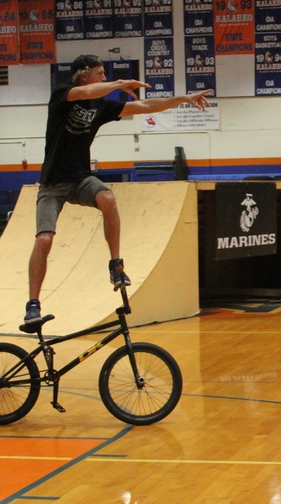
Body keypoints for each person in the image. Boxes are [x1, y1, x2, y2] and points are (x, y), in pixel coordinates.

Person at [24, 54, 212, 324]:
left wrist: (182, 99)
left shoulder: (101, 106)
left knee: (108, 198)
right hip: (52, 183)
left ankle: (115, 264)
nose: (104, 78)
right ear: (84, 73)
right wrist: (119, 83)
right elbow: (86, 91)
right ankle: (33, 304)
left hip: (80, 179)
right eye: (101, 73)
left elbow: (145, 105)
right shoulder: (62, 94)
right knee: (44, 239)